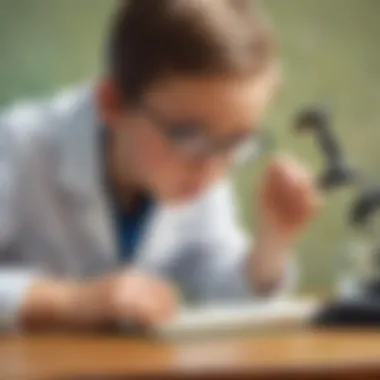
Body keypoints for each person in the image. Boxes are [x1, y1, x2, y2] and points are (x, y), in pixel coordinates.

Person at [0, 0, 320, 331]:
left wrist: (273, 239)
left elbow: (229, 293)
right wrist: (71, 301)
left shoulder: (202, 166)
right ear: (113, 104)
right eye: (188, 135)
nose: (213, 169)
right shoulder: (20, 144)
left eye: (236, 141)